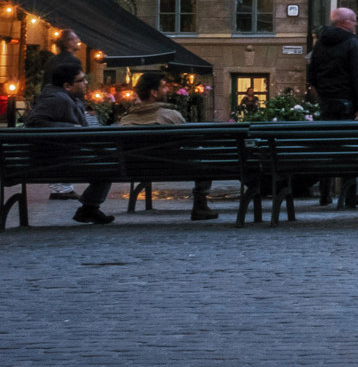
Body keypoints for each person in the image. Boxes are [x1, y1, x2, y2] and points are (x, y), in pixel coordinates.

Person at [116, 71, 217, 221]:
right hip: (174, 167)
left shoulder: (126, 120)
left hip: (134, 168)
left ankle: (90, 206)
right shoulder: (170, 116)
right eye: (164, 87)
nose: (167, 90)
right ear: (153, 92)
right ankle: (200, 204)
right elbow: (191, 143)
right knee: (202, 155)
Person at [27, 62, 113, 224]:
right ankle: (89, 209)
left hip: (61, 157)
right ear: (67, 85)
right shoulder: (58, 99)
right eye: (82, 80)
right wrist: (71, 127)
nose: (86, 83)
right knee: (109, 166)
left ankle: (89, 209)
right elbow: (34, 122)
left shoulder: (65, 98)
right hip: (58, 161)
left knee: (108, 161)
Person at [306, 8, 358, 208]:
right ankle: (350, 195)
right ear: (345, 22)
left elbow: (312, 76)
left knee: (327, 147)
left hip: (326, 103)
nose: (356, 24)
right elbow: (357, 78)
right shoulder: (352, 43)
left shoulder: (320, 44)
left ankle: (325, 194)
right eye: (354, 20)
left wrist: (323, 95)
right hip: (345, 104)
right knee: (349, 149)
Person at [42, 31, 89, 201]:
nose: (79, 41)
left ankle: (60, 187)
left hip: (51, 104)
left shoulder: (51, 61)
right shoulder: (73, 62)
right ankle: (63, 188)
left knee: (57, 145)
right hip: (67, 105)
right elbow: (78, 88)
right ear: (68, 42)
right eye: (76, 39)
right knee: (69, 143)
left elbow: (45, 83)